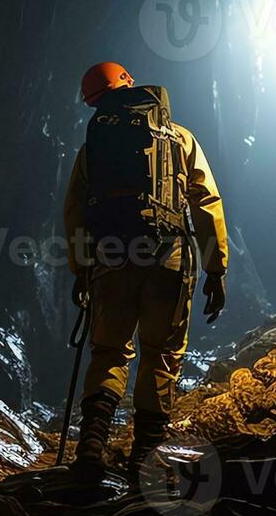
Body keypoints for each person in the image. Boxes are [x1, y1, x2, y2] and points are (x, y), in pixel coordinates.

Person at [63, 62, 228, 476]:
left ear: (94, 103)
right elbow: (206, 202)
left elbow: (75, 213)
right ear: (130, 83)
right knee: (161, 355)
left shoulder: (94, 148)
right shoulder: (180, 137)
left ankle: (91, 449)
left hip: (111, 260)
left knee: (110, 352)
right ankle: (145, 460)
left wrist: (81, 268)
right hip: (168, 258)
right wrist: (216, 268)